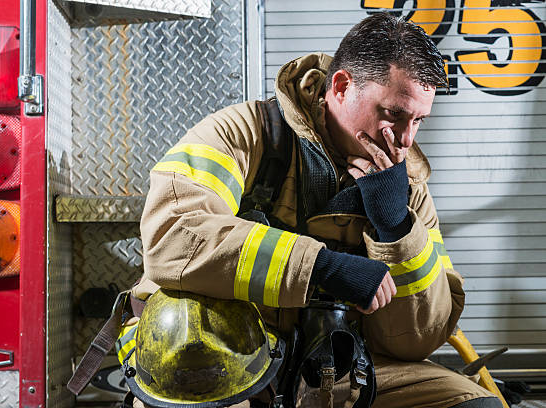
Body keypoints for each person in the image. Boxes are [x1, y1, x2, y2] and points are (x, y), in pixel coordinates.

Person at [135, 12, 502, 408]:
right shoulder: (244, 133)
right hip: (223, 361)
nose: (405, 140)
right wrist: (321, 268)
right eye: (393, 114)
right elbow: (172, 237)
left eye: (418, 121)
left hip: (336, 367)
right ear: (341, 87)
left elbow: (416, 341)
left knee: (474, 405)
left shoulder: (407, 182)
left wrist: (396, 229)